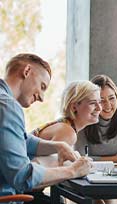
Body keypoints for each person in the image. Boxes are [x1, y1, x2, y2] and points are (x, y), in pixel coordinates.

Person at [0, 53, 91, 202]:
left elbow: (22, 139)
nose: (42, 98)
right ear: (27, 71)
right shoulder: (8, 107)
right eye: (42, 86)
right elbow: (23, 177)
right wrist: (73, 170)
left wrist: (58, 146)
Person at [75, 74, 117, 163]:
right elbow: (80, 159)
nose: (108, 105)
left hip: (116, 173)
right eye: (101, 100)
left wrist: (95, 159)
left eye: (111, 98)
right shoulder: (83, 120)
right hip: (88, 172)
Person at [31, 80, 102, 147]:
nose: (99, 108)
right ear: (74, 107)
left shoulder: (66, 126)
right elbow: (46, 160)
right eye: (92, 103)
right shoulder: (67, 132)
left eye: (99, 102)